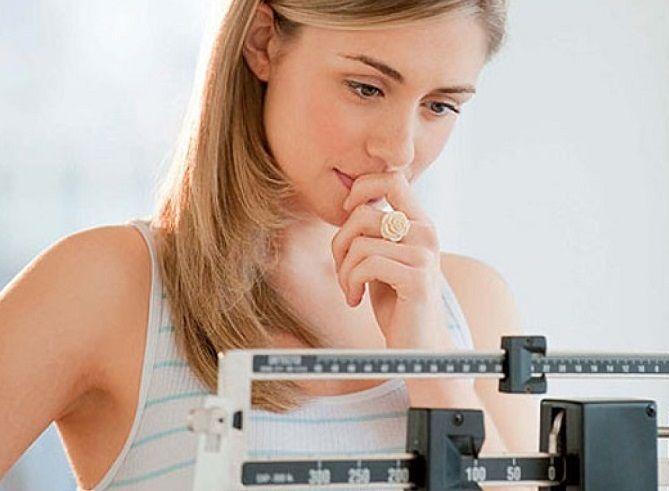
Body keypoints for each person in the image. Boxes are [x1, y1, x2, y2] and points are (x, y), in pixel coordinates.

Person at [0, 0, 538, 489]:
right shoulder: (107, 286)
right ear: (263, 42)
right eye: (366, 88)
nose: (398, 149)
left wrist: (437, 370)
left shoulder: (469, 302)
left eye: (439, 106)